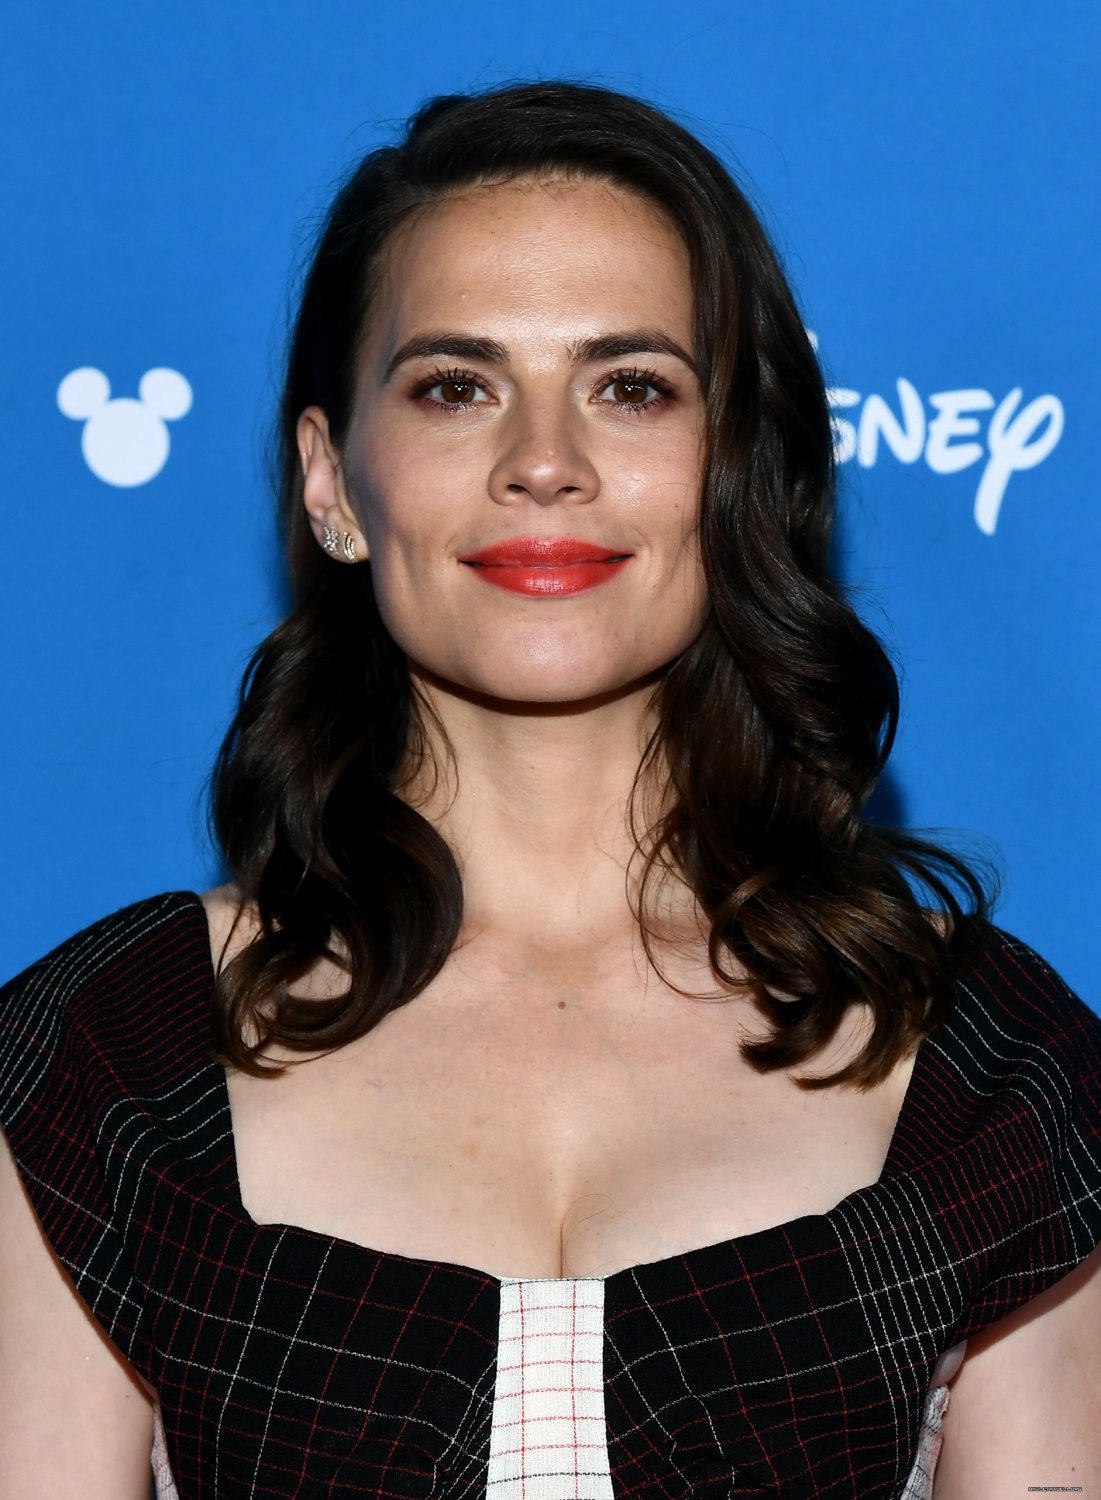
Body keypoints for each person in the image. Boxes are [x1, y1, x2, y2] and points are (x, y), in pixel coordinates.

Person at [1, 80, 1099, 1500]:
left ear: (738, 464)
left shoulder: (986, 1066)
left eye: (630, 386)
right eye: (454, 386)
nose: (542, 464)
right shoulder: (109, 1060)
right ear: (331, 481)